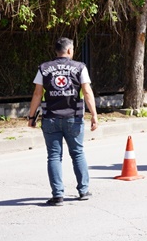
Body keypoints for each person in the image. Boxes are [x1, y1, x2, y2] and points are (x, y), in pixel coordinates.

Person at [27, 37, 98, 206]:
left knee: (53, 156)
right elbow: (87, 92)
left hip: (50, 118)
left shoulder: (43, 68)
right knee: (78, 153)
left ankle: (58, 195)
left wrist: (31, 117)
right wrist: (94, 114)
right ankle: (83, 191)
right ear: (69, 51)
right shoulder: (80, 67)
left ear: (56, 51)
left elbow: (37, 94)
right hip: (73, 118)